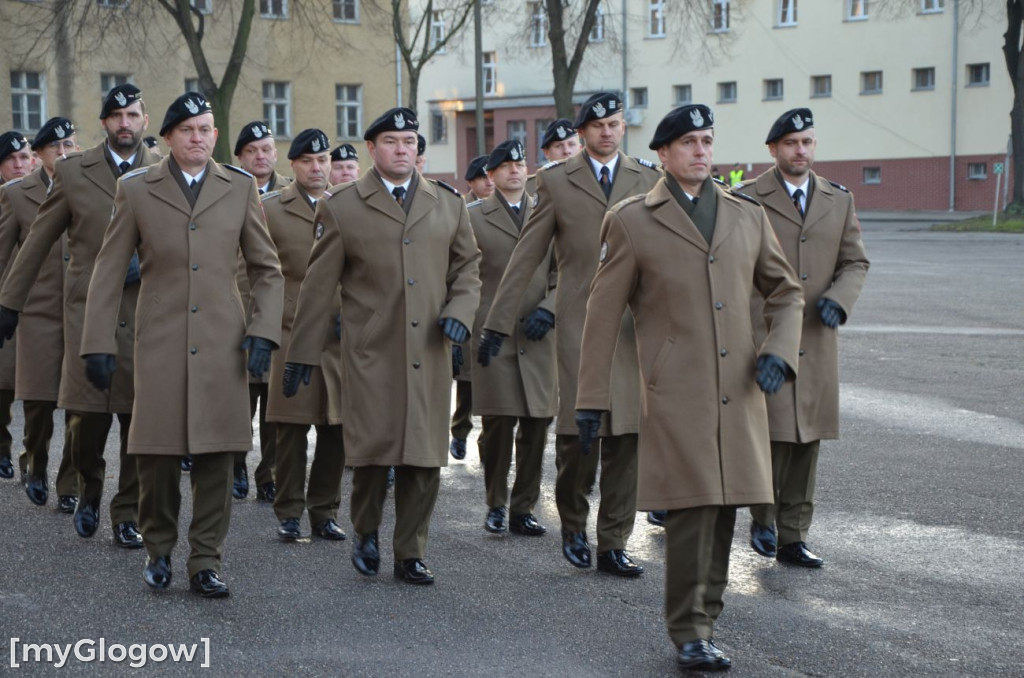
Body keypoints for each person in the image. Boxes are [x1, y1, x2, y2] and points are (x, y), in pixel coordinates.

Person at [575, 104, 804, 671]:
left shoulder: (745, 215)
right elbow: (602, 314)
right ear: (663, 154)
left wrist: (777, 351)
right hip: (675, 391)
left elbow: (786, 292)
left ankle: (706, 617)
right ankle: (689, 630)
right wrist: (590, 400)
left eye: (707, 141)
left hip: (740, 388)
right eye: (689, 143)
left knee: (726, 508)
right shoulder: (632, 219)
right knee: (693, 510)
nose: (701, 152)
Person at [80, 92, 284, 598]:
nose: (199, 138)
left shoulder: (237, 188)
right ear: (167, 137)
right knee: (158, 454)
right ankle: (160, 548)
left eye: (207, 130)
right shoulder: (137, 189)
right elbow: (107, 272)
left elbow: (267, 270)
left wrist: (264, 331)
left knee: (218, 454)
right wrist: (97, 341)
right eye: (188, 130)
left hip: (223, 343)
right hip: (160, 341)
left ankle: (206, 561)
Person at [284, 107, 480, 585]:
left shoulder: (447, 204)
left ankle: (410, 551)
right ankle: (366, 531)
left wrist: (458, 315)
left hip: (430, 349)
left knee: (424, 455)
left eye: (409, 141)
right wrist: (302, 354)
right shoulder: (344, 206)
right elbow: (318, 286)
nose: (402, 149)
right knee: (373, 452)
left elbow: (468, 270)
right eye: (391, 141)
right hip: (372, 350)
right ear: (372, 148)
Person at [478, 92, 661, 577]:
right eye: (598, 126)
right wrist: (497, 322)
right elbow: (527, 257)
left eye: (616, 124)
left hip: (631, 327)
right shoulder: (556, 182)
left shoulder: (647, 179)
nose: (608, 132)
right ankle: (574, 523)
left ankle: (614, 542)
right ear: (582, 133)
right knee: (582, 435)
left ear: (624, 128)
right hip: (577, 323)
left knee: (628, 438)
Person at [0, 85, 161, 547]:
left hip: (148, 312)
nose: (125, 123)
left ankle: (126, 511)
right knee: (85, 421)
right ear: (105, 123)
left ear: (145, 121)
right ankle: (89, 486)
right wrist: (9, 304)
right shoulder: (74, 172)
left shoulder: (163, 173)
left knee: (138, 421)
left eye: (133, 114)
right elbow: (34, 244)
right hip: (87, 313)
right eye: (116, 115)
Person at [740, 108, 869, 568]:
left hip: (816, 335)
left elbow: (855, 261)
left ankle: (793, 535)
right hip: (766, 333)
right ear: (773, 149)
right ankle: (763, 518)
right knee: (770, 434)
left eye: (808, 142)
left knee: (806, 438)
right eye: (792, 143)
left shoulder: (838, 200)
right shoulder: (747, 199)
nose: (801, 151)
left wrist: (840, 299)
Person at [466, 140, 556, 536]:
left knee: (537, 424)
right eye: (505, 166)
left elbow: (566, 269)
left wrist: (551, 308)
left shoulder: (549, 213)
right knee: (498, 424)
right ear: (491, 175)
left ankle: (524, 507)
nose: (515, 171)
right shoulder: (473, 217)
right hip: (493, 336)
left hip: (539, 334)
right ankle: (496, 503)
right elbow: (463, 276)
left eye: (520, 164)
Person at [261, 128, 346, 543]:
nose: (317, 168)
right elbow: (254, 274)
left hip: (338, 339)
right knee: (290, 430)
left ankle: (325, 511)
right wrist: (261, 328)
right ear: (292, 165)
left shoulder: (348, 205)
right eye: (308, 161)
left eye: (323, 160)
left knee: (337, 429)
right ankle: (289, 510)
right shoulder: (271, 209)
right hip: (290, 332)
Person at [0, 118, 78, 510]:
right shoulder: (17, 194)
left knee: (81, 407)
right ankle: (36, 461)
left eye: (69, 146)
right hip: (37, 313)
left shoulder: (89, 186)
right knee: (39, 403)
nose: (64, 154)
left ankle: (69, 484)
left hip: (81, 310)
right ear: (40, 155)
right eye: (55, 149)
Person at [233, 120, 290, 500]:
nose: (260, 157)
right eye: (252, 151)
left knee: (275, 405)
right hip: (235, 305)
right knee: (238, 398)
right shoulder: (225, 188)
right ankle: (236, 460)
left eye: (266, 149)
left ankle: (268, 473)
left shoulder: (292, 192)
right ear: (239, 157)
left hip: (279, 310)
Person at [449, 153, 492, 461]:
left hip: (494, 302)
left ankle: (487, 442)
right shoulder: (460, 211)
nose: (489, 182)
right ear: (471, 183)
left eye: (492, 176)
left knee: (494, 382)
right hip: (469, 305)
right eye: (482, 178)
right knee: (466, 382)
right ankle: (460, 431)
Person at [0, 131, 32, 481]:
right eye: (11, 159)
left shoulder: (45, 194)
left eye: (24, 156)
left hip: (37, 303)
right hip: (5, 299)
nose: (19, 164)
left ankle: (33, 456)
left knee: (36, 392)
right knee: (3, 385)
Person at [526, 118, 580, 194]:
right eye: (558, 146)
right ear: (546, 152)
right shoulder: (532, 187)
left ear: (580, 148)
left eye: (571, 144)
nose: (566, 151)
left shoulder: (594, 180)